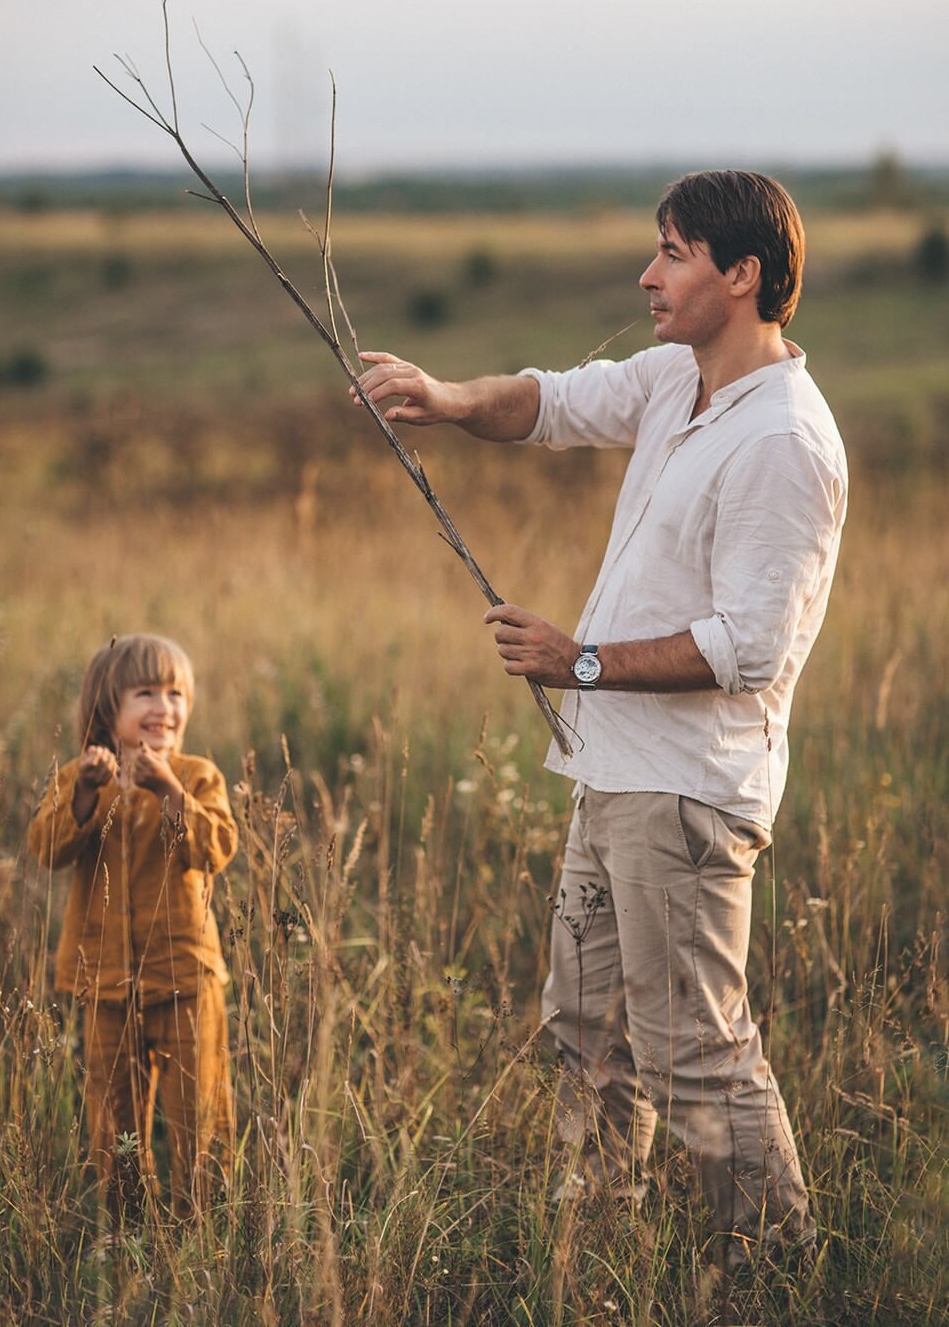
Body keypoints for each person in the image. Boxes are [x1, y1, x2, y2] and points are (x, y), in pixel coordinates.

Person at [352, 170, 847, 1268]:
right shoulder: (679, 381)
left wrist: (577, 660)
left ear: (743, 275)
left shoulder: (783, 445)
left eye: (671, 254)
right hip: (610, 775)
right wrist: (444, 397)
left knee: (691, 1056)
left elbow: (745, 648)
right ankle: (597, 1247)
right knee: (586, 1038)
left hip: (686, 795)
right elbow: (554, 401)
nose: (648, 275)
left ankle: (777, 1266)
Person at [29, 633, 237, 1223]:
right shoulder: (81, 776)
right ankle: (125, 1235)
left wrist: (168, 789)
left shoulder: (195, 777)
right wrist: (87, 794)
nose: (164, 707)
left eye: (175, 693)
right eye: (146, 692)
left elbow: (216, 847)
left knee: (199, 1115)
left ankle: (202, 1232)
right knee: (112, 1119)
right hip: (105, 985)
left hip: (185, 980)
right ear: (107, 708)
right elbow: (46, 849)